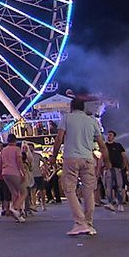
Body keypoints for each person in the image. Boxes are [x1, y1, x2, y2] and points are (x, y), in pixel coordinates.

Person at [51, 98, 109, 236]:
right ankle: (89, 222)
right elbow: (102, 144)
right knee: (89, 191)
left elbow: (59, 138)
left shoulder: (67, 118)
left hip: (71, 157)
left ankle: (79, 222)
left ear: (71, 107)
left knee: (69, 189)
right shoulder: (92, 121)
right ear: (83, 108)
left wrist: (54, 156)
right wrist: (106, 161)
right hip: (88, 157)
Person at [0, 134, 27, 223]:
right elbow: (19, 161)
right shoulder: (16, 149)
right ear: (15, 141)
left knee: (14, 193)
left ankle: (17, 216)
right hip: (14, 172)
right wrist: (23, 173)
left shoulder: (3, 150)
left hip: (5, 173)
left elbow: (0, 162)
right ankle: (15, 208)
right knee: (23, 192)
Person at [102, 131, 128, 213]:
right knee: (108, 187)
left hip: (117, 168)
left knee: (119, 186)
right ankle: (110, 202)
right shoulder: (104, 146)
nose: (108, 136)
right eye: (108, 135)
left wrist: (126, 166)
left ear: (114, 136)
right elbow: (101, 157)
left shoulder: (118, 146)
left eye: (110, 135)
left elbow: (124, 156)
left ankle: (120, 203)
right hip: (108, 169)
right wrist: (99, 168)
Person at [24, 141, 44, 212]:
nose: (30, 149)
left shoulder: (38, 155)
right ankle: (34, 204)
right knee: (33, 190)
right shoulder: (26, 156)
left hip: (39, 174)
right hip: (31, 175)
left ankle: (43, 204)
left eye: (31, 147)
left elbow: (44, 161)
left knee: (42, 190)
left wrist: (44, 170)